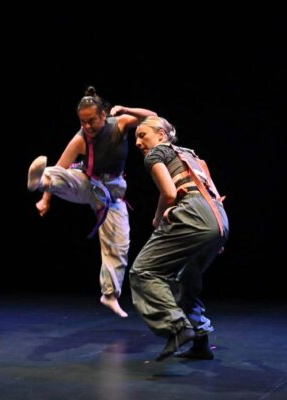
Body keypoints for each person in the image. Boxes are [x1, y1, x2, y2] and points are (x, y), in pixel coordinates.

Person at [27, 86, 156, 318]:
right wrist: (45, 200)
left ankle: (109, 295)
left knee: (119, 246)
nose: (86, 126)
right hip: (89, 183)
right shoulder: (81, 139)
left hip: (112, 192)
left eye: (91, 121)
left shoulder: (120, 124)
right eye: (82, 122)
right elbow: (62, 165)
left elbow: (152, 117)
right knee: (62, 176)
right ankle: (40, 181)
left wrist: (126, 109)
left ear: (103, 115)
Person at [129, 115, 229, 361]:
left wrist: (157, 218)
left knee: (143, 271)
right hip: (219, 218)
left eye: (142, 135)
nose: (138, 142)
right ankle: (200, 343)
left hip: (195, 214)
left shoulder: (156, 153)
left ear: (161, 135)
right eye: (136, 138)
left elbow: (169, 193)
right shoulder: (190, 155)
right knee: (186, 279)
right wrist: (216, 234)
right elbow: (212, 190)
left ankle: (177, 328)